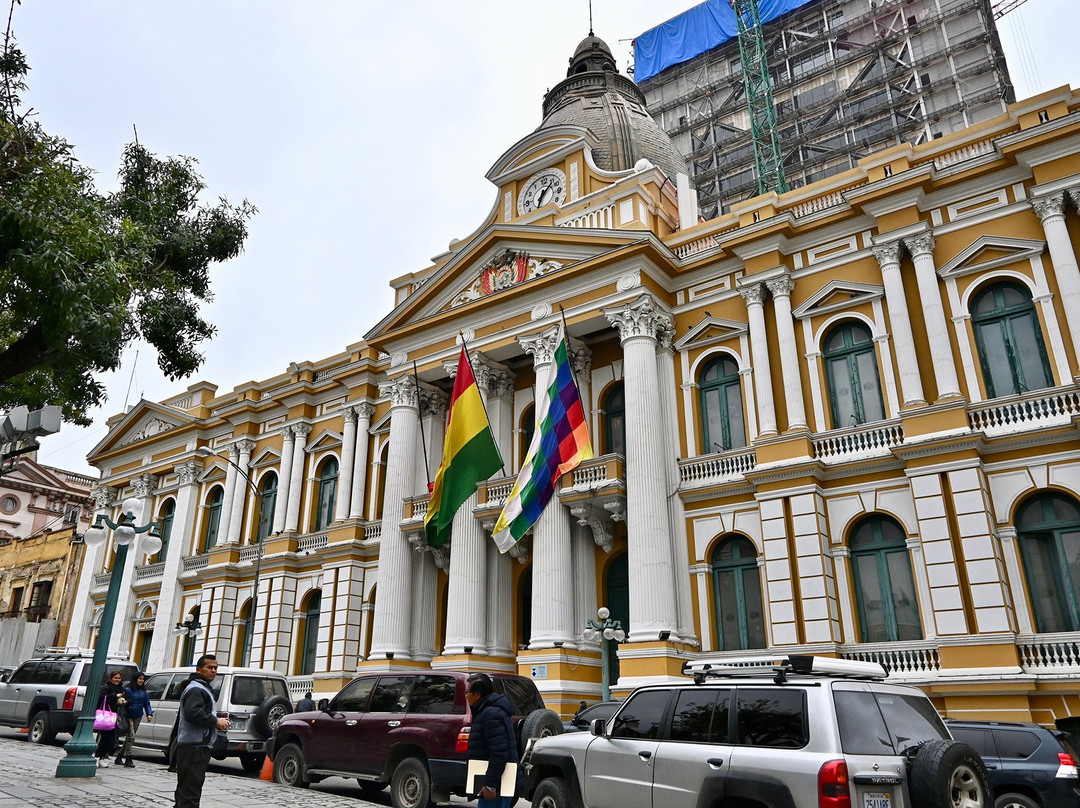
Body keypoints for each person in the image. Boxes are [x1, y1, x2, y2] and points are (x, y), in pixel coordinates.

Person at [174, 655, 230, 808]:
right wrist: (216, 722)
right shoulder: (197, 689)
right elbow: (194, 713)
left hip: (194, 745)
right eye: (209, 667)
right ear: (199, 669)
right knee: (190, 793)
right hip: (194, 747)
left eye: (215, 668)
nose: (213, 670)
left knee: (186, 791)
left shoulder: (200, 687)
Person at [465, 672, 521, 808]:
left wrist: (490, 785)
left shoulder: (490, 714)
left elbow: (499, 753)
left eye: (467, 692)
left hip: (497, 786)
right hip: (493, 782)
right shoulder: (487, 711)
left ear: (477, 694)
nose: (466, 696)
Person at [115, 670, 153, 767]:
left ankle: (119, 756)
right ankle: (129, 758)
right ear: (135, 679)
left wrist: (149, 713)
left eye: (143, 679)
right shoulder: (128, 690)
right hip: (128, 715)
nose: (141, 681)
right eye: (140, 679)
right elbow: (124, 701)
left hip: (138, 715)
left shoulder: (143, 692)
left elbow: (146, 703)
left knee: (129, 737)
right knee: (131, 736)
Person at [94, 669, 128, 768]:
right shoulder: (105, 688)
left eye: (119, 678)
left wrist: (125, 701)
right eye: (115, 678)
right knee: (104, 738)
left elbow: (129, 698)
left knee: (112, 739)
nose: (117, 680)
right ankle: (98, 756)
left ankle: (104, 756)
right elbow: (101, 699)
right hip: (106, 716)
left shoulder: (122, 689)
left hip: (116, 717)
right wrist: (115, 697)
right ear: (110, 678)